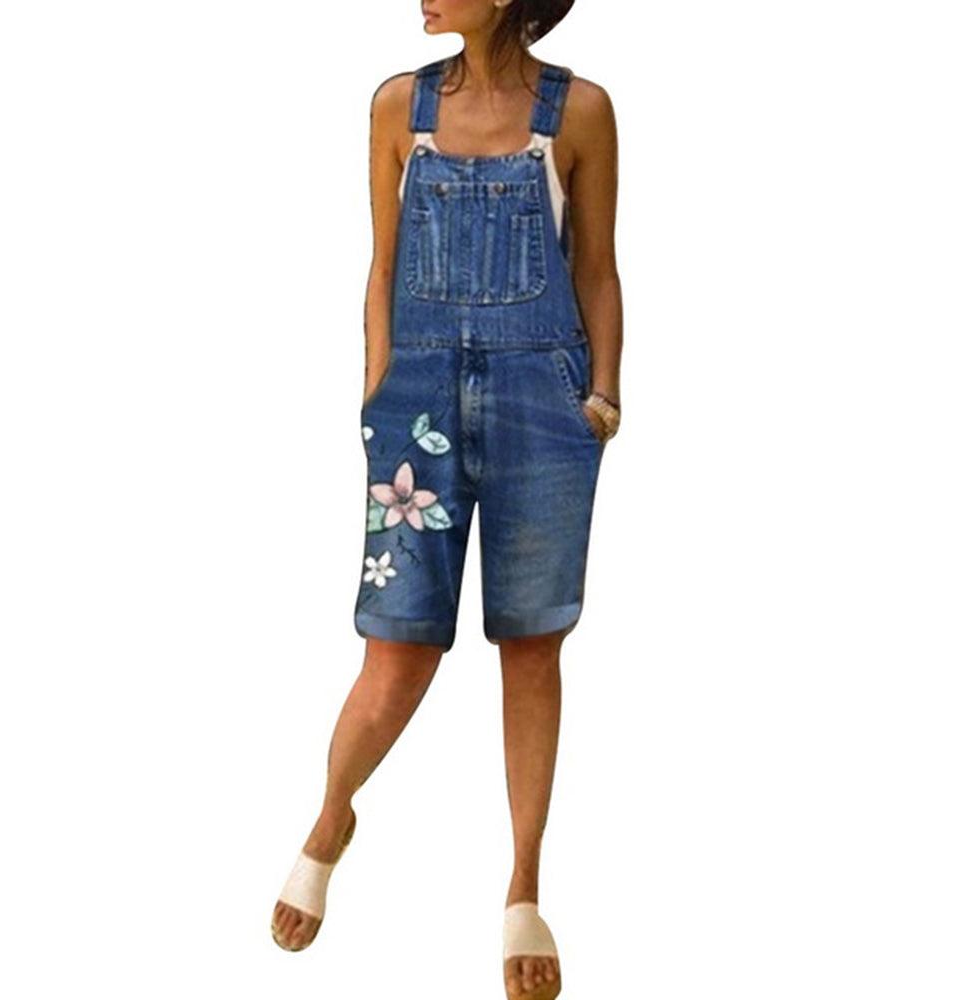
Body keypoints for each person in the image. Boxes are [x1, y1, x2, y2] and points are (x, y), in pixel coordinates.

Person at [272, 3, 622, 998]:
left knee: (532, 644)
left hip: (542, 406)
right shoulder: (400, 107)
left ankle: (523, 887)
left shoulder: (581, 112)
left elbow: (597, 268)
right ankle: (332, 814)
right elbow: (382, 268)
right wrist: (378, 393)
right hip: (416, 409)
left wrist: (602, 396)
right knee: (397, 646)